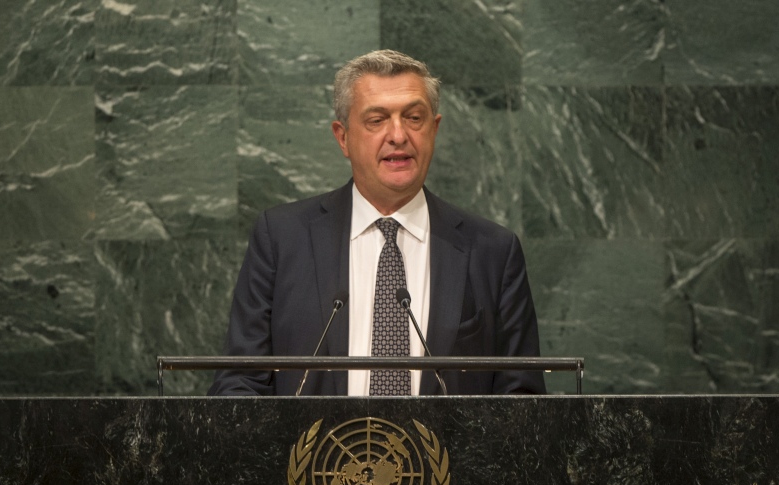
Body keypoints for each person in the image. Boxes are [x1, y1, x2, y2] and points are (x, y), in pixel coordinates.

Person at [208, 49, 545, 396]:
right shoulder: (282, 238)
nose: (398, 135)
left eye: (414, 118)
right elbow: (239, 384)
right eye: (377, 120)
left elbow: (521, 403)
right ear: (343, 137)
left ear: (434, 129)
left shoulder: (493, 251)